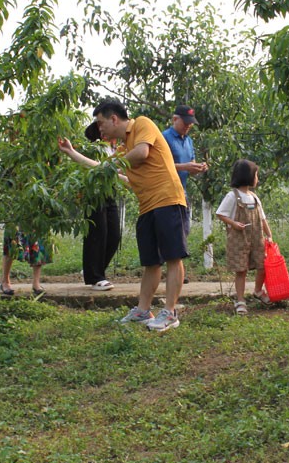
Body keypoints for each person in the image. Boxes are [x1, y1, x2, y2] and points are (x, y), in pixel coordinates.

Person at [58, 100, 188, 332]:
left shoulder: (141, 125)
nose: (100, 129)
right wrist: (71, 153)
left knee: (173, 257)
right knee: (151, 262)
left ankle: (170, 312)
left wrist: (113, 165)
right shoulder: (123, 149)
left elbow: (142, 153)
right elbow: (104, 168)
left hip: (168, 200)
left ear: (114, 119)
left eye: (100, 123)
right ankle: (143, 310)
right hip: (147, 206)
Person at [215, 159, 273, 315]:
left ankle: (258, 291)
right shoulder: (232, 196)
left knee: (262, 265)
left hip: (257, 239)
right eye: (256, 175)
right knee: (241, 270)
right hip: (239, 239)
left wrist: (269, 234)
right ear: (248, 176)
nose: (257, 179)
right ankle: (240, 300)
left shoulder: (254, 197)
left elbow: (262, 218)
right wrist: (233, 224)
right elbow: (220, 213)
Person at [162, 104, 208, 284]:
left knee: (183, 232)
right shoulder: (164, 138)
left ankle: (177, 271)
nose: (188, 126)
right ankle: (169, 271)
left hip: (182, 192)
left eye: (191, 123)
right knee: (170, 232)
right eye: (185, 122)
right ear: (175, 119)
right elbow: (160, 166)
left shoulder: (188, 140)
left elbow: (190, 166)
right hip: (165, 193)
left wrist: (198, 167)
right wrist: (185, 166)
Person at [81, 119, 122, 291]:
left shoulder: (115, 149)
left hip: (109, 192)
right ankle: (95, 277)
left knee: (114, 235)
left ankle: (93, 270)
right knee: (98, 233)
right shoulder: (94, 149)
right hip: (94, 193)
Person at [0, 224, 50, 296]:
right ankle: (5, 281)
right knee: (11, 245)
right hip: (15, 215)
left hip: (36, 215)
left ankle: (36, 283)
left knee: (37, 244)